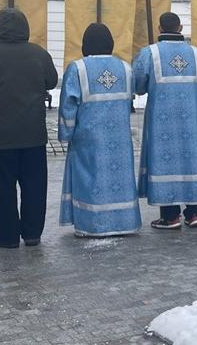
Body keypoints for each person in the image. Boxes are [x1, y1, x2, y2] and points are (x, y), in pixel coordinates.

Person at [57, 24, 141, 238]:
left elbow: (68, 105)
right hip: (120, 140)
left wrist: (66, 134)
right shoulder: (125, 69)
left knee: (90, 179)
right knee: (119, 179)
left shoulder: (78, 69)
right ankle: (124, 222)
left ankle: (93, 225)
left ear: (85, 44)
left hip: (89, 139)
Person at [133, 12, 197, 230]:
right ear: (180, 27)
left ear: (159, 28)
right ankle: (193, 213)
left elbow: (138, 85)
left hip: (160, 123)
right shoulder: (196, 54)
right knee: (189, 162)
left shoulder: (149, 53)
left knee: (164, 163)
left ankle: (170, 216)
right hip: (189, 121)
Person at [0, 8, 58, 248]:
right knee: (34, 186)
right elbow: (51, 80)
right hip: (33, 135)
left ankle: (7, 237)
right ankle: (32, 234)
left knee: (2, 189)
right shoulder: (38, 54)